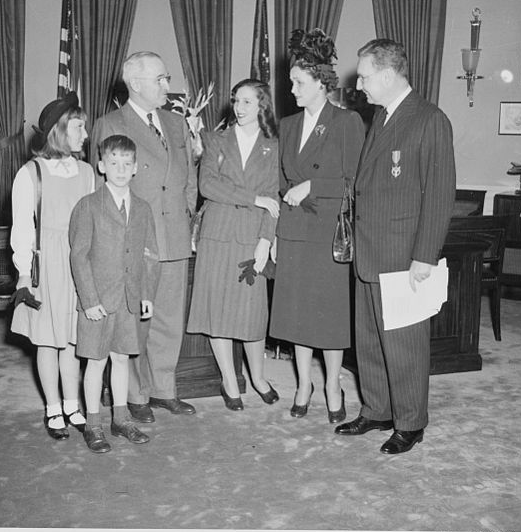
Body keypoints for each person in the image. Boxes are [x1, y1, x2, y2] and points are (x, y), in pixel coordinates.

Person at [334, 38, 456, 454]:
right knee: (368, 340)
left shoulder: (429, 119)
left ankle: (410, 421)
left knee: (403, 345)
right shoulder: (380, 117)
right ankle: (378, 409)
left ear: (387, 75)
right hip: (370, 252)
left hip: (403, 256)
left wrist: (424, 256)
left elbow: (439, 193)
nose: (359, 85)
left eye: (365, 77)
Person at [92, 51, 198, 423]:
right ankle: (135, 395)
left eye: (167, 78)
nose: (168, 86)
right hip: (135, 238)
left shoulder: (175, 122)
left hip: (174, 233)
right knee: (136, 320)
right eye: (161, 79)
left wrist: (188, 214)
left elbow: (187, 176)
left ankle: (164, 390)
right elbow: (103, 187)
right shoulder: (110, 123)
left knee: (170, 318)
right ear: (135, 83)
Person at [268, 28, 365, 423]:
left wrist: (313, 184)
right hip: (293, 232)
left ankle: (331, 385)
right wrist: (272, 232)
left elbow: (356, 181)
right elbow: (278, 182)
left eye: (299, 82)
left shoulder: (347, 122)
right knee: (296, 315)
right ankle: (304, 383)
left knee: (327, 315)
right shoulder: (287, 126)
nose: (291, 89)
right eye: (291, 81)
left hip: (327, 234)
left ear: (322, 84)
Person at [186, 78, 280, 410]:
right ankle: (229, 380)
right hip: (217, 234)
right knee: (218, 313)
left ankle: (258, 377)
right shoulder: (214, 140)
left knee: (253, 315)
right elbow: (208, 185)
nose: (239, 108)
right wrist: (252, 197)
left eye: (247, 103)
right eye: (236, 101)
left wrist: (265, 242)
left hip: (251, 238)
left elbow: (274, 201)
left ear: (261, 106)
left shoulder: (273, 146)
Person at [10, 92, 95, 440]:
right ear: (60, 130)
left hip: (78, 263)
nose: (86, 135)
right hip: (46, 265)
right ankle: (53, 408)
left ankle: (73, 403)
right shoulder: (31, 174)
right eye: (79, 127)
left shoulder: (88, 172)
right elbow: (22, 230)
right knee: (47, 340)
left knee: (73, 341)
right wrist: (23, 274)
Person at [69, 135, 160, 453]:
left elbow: (150, 254)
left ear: (135, 168)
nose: (120, 169)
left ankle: (120, 419)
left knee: (122, 359)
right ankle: (93, 424)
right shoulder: (89, 206)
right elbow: (78, 255)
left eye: (126, 164)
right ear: (101, 165)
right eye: (113, 163)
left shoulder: (144, 208)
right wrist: (89, 300)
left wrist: (146, 294)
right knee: (96, 362)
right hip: (98, 302)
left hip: (128, 299)